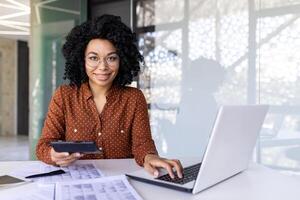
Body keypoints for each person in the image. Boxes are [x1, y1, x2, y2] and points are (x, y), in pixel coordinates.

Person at [36, 14, 183, 179]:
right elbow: (44, 145)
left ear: (122, 60)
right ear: (81, 60)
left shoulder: (134, 98)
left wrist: (150, 157)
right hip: (76, 183)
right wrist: (52, 154)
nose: (103, 67)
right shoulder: (64, 96)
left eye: (111, 58)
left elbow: (142, 144)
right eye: (93, 58)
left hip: (122, 181)